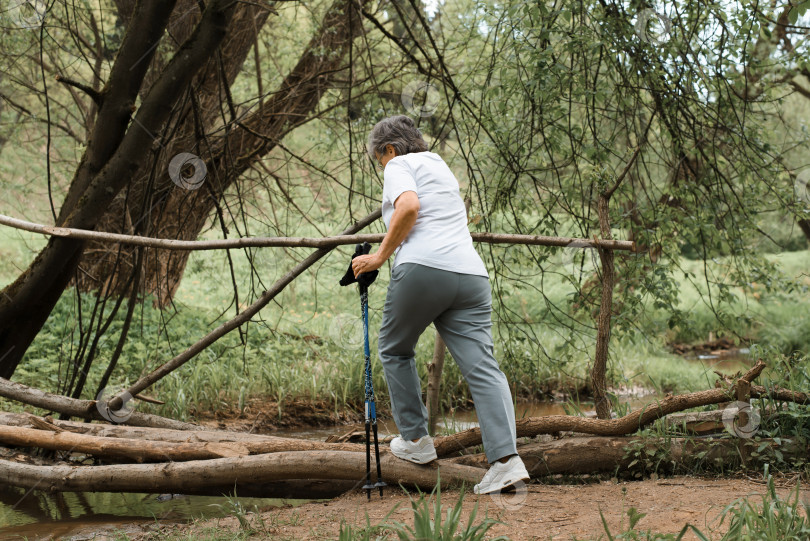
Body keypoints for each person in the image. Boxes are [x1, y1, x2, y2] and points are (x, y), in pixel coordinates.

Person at [351, 115, 530, 495]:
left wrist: (379, 257)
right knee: (483, 367)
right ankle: (506, 461)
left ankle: (416, 441)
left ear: (389, 149)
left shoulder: (399, 164)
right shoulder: (440, 165)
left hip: (424, 270)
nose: (381, 167)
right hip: (470, 276)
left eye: (378, 160)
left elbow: (410, 208)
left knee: (395, 349)